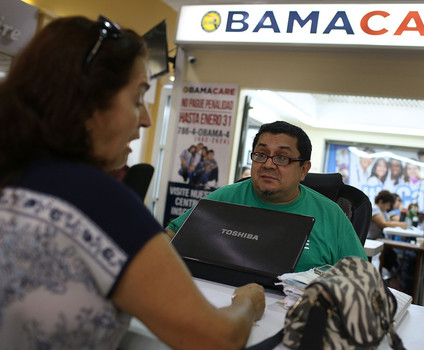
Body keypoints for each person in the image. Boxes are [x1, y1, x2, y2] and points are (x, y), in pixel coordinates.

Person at [0, 16, 264, 349]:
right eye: (138, 98)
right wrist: (248, 303)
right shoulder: (98, 199)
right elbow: (216, 338)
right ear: (89, 102)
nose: (147, 118)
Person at [166, 121, 367, 271]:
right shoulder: (224, 197)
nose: (268, 164)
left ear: (303, 169)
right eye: (261, 154)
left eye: (282, 158)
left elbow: (361, 277)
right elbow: (171, 235)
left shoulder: (332, 214)